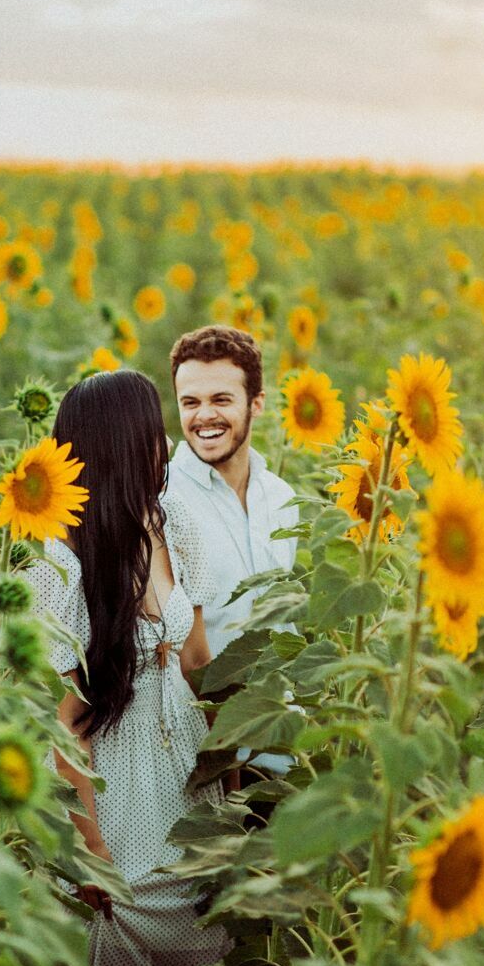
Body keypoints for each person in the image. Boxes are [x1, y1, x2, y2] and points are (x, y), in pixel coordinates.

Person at [27, 369, 230, 966]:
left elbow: (197, 656)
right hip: (118, 781)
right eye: (153, 431)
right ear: (121, 446)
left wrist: (231, 761)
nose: (166, 444)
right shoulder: (63, 565)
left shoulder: (173, 527)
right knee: (125, 942)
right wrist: (91, 847)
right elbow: (63, 728)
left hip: (185, 765)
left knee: (207, 940)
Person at [165, 324, 299, 780]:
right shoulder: (162, 500)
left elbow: (284, 626)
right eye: (190, 402)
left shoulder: (282, 499)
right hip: (202, 757)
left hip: (281, 751)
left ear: (256, 403)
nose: (204, 416)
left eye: (221, 400)